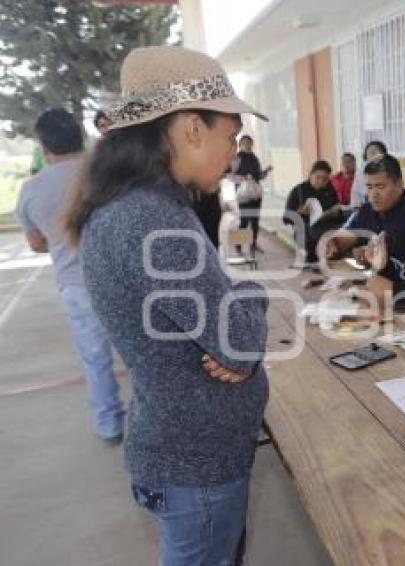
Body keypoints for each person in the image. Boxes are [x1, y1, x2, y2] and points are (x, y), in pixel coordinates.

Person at [64, 45, 269, 566]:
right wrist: (251, 300)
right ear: (191, 128)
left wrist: (235, 310)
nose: (234, 150)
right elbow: (241, 341)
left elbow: (224, 327)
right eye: (230, 133)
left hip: (183, 453)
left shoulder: (130, 210)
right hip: (197, 466)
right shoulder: (152, 222)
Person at [15, 108, 125, 443]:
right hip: (121, 277)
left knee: (95, 360)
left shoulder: (31, 190)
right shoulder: (107, 173)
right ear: (80, 136)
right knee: (144, 352)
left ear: (44, 144)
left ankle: (110, 425)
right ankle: (161, 418)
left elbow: (36, 244)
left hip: (77, 286)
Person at [318, 154, 405, 281]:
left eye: (380, 187)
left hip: (400, 292)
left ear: (399, 185)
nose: (373, 194)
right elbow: (345, 236)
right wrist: (334, 243)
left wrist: (381, 262)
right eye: (369, 187)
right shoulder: (366, 210)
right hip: (366, 285)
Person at [284, 160, 344, 263]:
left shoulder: (329, 189)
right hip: (306, 230)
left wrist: (335, 212)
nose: (321, 181)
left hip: (327, 225)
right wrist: (299, 212)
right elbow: (286, 219)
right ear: (310, 175)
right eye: (318, 177)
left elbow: (337, 208)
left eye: (325, 179)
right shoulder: (298, 191)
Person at [230, 134, 271, 254]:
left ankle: (253, 244)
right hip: (243, 194)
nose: (247, 145)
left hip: (255, 193)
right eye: (244, 143)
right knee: (244, 220)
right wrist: (243, 178)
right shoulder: (236, 159)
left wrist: (265, 172)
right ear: (240, 145)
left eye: (249, 143)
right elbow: (230, 176)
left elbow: (259, 176)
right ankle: (238, 245)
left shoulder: (254, 158)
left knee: (255, 220)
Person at [350, 140, 387, 208]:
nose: (374, 155)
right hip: (364, 206)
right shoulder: (360, 172)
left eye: (376, 151)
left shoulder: (389, 169)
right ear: (366, 157)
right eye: (370, 152)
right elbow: (355, 193)